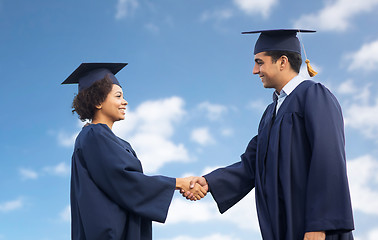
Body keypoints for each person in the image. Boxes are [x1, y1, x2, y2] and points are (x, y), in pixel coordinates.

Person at [185, 29, 354, 240]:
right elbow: (251, 164)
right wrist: (209, 182)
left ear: (282, 62)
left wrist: (319, 225)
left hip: (311, 226)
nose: (255, 71)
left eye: (259, 62)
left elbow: (329, 159)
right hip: (280, 225)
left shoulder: (314, 96)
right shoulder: (270, 113)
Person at [62, 63, 206, 240]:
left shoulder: (117, 142)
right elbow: (124, 180)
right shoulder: (93, 135)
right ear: (98, 101)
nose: (125, 101)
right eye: (118, 96)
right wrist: (178, 183)